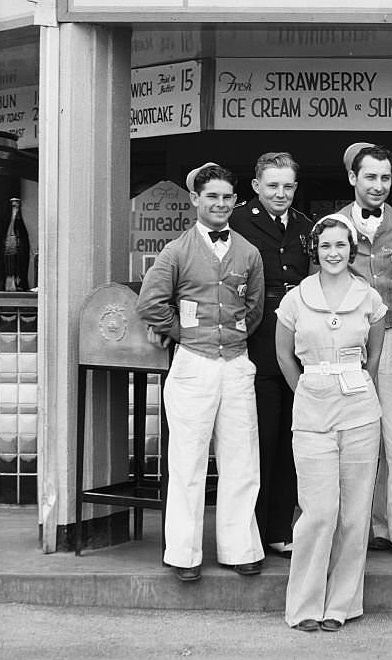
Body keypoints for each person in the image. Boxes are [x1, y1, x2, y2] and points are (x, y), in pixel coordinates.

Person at [137, 163, 265, 582]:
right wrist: (182, 333)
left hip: (236, 363)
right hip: (193, 364)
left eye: (228, 197)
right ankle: (184, 553)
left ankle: (240, 548)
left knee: (242, 459)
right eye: (213, 196)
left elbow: (255, 309)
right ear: (195, 200)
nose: (221, 204)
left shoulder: (248, 251)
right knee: (188, 461)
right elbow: (150, 303)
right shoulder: (177, 250)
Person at [277, 213, 387, 633]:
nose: (333, 252)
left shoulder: (369, 298)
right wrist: (309, 387)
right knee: (319, 511)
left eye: (341, 245)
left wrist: (360, 385)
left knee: (355, 514)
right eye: (325, 246)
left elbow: (374, 354)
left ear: (352, 249)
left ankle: (341, 604)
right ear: (314, 250)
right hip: (312, 409)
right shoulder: (295, 299)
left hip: (360, 411)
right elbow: (285, 355)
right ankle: (304, 604)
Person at [337, 143, 392, 557]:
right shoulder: (332, 226)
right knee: (353, 438)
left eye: (385, 177)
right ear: (354, 178)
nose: (378, 185)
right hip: (346, 345)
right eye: (370, 176)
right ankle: (358, 527)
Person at [230, 151, 313, 557]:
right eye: (273, 185)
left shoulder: (304, 226)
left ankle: (279, 529)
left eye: (288, 186)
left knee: (290, 442)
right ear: (256, 186)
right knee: (258, 441)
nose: (281, 193)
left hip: (296, 346)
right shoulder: (236, 222)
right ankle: (251, 534)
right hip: (255, 343)